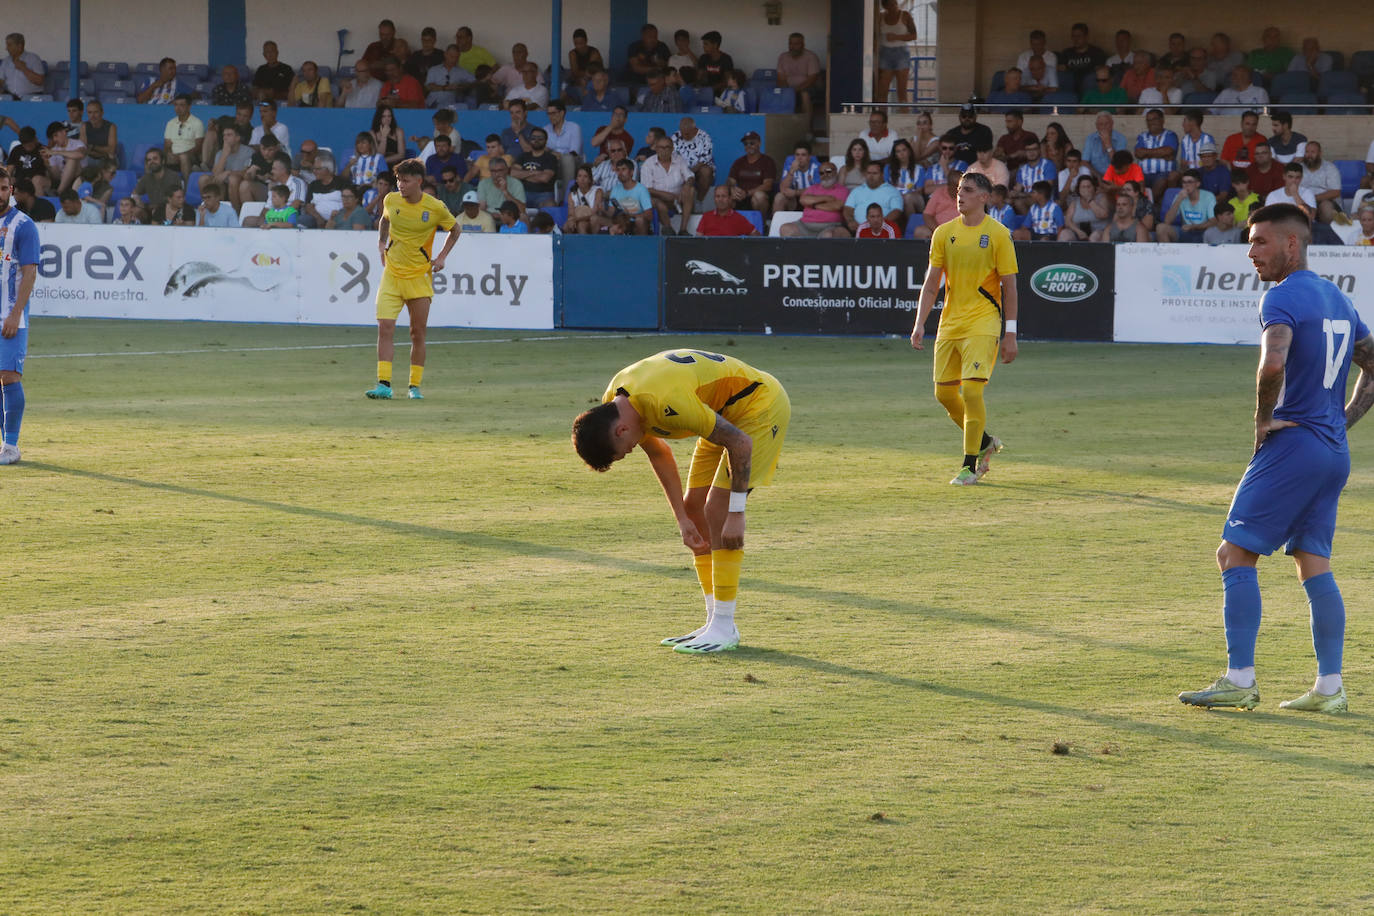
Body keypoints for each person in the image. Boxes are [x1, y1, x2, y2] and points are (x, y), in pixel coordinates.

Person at [1179, 202, 1374, 714]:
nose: (1251, 253)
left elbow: (1273, 364)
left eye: (1260, 242)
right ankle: (1329, 689)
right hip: (1332, 451)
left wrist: (1263, 420)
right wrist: (1343, 420)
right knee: (1314, 564)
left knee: (1233, 554)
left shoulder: (1281, 297)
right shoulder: (1337, 297)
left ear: (1292, 243)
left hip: (1294, 445)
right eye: (1250, 243)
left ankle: (1239, 679)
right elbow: (1373, 363)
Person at [572, 349, 791, 654]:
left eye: (624, 451)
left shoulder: (664, 402)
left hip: (760, 407)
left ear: (621, 430)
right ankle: (714, 621)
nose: (631, 451)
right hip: (721, 415)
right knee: (695, 510)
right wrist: (682, 519)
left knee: (717, 510)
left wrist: (737, 513)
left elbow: (740, 442)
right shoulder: (618, 403)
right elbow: (659, 453)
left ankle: (724, 626)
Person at [910, 171, 1018, 485]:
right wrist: (919, 323)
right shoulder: (944, 233)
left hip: (984, 322)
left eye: (967, 190)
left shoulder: (998, 234)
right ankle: (985, 442)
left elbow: (1010, 286)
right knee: (944, 394)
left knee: (971, 390)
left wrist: (1010, 333)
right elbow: (932, 283)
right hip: (950, 323)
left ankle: (969, 466)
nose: (960, 195)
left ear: (984, 197)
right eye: (959, 190)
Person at [365, 158, 461, 401]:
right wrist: (381, 243)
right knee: (385, 328)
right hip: (392, 276)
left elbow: (455, 229)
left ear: (419, 181)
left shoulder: (435, 207)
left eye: (405, 181)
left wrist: (442, 257)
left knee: (417, 333)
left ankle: (414, 386)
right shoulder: (390, 200)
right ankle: (383, 384)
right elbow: (384, 220)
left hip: (419, 277)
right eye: (398, 180)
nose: (400, 185)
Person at [0, 170, 37, 466]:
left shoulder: (24, 225)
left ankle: (11, 445)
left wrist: (15, 314)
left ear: (11, 190)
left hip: (10, 316)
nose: (0, 194)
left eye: (3, 188)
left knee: (9, 376)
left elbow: (30, 272)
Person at [779, 161, 850, 238]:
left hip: (830, 226)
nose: (825, 175)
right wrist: (826, 198)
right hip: (805, 225)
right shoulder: (813, 188)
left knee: (829, 235)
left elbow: (837, 206)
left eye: (828, 171)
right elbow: (803, 200)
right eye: (821, 173)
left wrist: (813, 205)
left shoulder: (842, 190)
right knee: (785, 229)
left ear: (835, 172)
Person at [641, 134, 695, 234]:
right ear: (656, 148)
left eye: (667, 147)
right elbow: (647, 189)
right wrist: (665, 195)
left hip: (678, 199)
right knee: (657, 203)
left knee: (690, 190)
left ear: (672, 149)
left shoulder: (679, 160)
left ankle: (683, 230)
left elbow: (690, 176)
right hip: (657, 199)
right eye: (661, 147)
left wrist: (687, 184)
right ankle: (668, 229)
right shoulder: (648, 164)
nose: (664, 150)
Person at [1158, 169, 1218, 242]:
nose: (1186, 185)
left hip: (1204, 232)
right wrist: (1179, 199)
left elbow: (1214, 222)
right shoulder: (1179, 196)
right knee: (1161, 228)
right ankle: (1168, 250)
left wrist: (1194, 227)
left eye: (1190, 182)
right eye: (1184, 182)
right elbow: (1167, 221)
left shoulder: (1209, 196)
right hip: (1186, 232)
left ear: (1198, 184)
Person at [843, 162, 902, 235]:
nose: (871, 176)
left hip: (881, 231)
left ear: (882, 175)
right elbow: (848, 209)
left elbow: (896, 211)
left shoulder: (892, 191)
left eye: (875, 173)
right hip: (856, 229)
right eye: (869, 173)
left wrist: (879, 224)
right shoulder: (857, 190)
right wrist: (851, 221)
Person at [727, 131, 776, 216]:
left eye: (752, 143)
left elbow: (768, 185)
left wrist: (747, 193)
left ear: (759, 143)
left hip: (757, 197)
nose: (748, 146)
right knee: (725, 197)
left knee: (759, 196)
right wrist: (732, 189)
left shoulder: (767, 161)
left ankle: (761, 223)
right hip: (741, 197)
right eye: (746, 144)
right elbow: (730, 181)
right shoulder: (738, 162)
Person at [875, 0, 916, 103]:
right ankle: (881, 112)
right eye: (891, 4)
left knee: (902, 91)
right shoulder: (880, 16)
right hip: (885, 53)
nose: (894, 6)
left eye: (895, 3)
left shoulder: (905, 15)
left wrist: (896, 37)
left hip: (901, 53)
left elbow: (914, 35)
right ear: (885, 6)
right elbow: (875, 35)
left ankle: (903, 113)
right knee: (882, 90)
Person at [777, 32, 822, 117]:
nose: (792, 46)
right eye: (790, 43)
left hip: (807, 87)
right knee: (778, 93)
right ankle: (785, 122)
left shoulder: (811, 56)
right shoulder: (783, 56)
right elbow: (780, 78)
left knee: (805, 94)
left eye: (796, 44)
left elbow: (812, 79)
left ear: (803, 44)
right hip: (788, 88)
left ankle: (806, 123)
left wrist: (795, 90)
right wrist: (787, 90)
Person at [671, 117, 714, 205]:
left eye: (687, 134)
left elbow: (705, 160)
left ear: (694, 129)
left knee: (706, 172)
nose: (684, 136)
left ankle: (699, 201)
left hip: (698, 169)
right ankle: (676, 202)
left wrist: (689, 173)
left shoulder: (704, 137)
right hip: (680, 169)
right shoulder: (675, 137)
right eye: (682, 133)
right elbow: (673, 156)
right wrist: (683, 172)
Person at [1299, 141, 1343, 224]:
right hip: (1303, 201)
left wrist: (1312, 198)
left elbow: (1335, 192)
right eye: (1307, 152)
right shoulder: (1299, 168)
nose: (1309, 155)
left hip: (1325, 201)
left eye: (1313, 152)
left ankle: (1327, 232)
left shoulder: (1330, 168)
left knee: (1326, 208)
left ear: (1320, 153)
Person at [162, 94, 205, 176]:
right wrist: (171, 154)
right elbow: (167, 145)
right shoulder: (170, 123)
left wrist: (181, 155)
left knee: (183, 157)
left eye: (181, 105)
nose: (178, 108)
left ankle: (187, 184)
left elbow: (198, 147)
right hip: (173, 156)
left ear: (189, 107)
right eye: (176, 105)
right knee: (153, 157)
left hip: (191, 156)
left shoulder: (197, 123)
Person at [608, 158, 652, 234]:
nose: (620, 173)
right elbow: (611, 213)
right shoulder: (615, 189)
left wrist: (631, 215)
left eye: (623, 169)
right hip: (621, 221)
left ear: (631, 172)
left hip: (635, 222)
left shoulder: (641, 189)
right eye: (618, 170)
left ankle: (641, 242)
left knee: (640, 220)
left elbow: (649, 215)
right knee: (596, 219)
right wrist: (602, 211)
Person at [941, 104, 993, 168]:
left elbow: (987, 153)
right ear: (959, 117)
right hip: (955, 168)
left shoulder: (984, 131)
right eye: (964, 116)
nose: (967, 119)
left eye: (970, 116)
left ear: (975, 117)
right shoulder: (951, 133)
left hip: (977, 168)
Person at [1058, 22, 1106, 90]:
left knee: (1091, 78)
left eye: (1079, 36)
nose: (1076, 39)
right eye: (1073, 36)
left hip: (1089, 85)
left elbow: (1100, 71)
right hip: (1071, 85)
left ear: (1086, 37)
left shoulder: (1096, 52)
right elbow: (1061, 69)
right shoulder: (1066, 53)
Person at [424, 44, 474, 108]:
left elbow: (475, 82)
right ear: (445, 54)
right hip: (433, 104)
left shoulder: (462, 71)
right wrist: (445, 88)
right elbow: (428, 87)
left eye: (456, 57)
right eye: (451, 56)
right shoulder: (434, 70)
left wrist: (462, 86)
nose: (454, 60)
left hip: (451, 106)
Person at [1082, 111, 1127, 175]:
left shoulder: (1121, 138)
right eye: (1101, 124)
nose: (1104, 127)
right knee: (1084, 169)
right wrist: (1097, 176)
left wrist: (1108, 144)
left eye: (1106, 124)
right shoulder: (1090, 138)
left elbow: (1119, 164)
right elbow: (1084, 161)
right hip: (1095, 175)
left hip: (1115, 174)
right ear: (1096, 126)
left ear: (1112, 124)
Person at [564, 164, 604, 234]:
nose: (582, 179)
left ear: (590, 180)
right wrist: (571, 220)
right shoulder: (572, 194)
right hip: (578, 219)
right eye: (579, 176)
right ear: (576, 179)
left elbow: (594, 213)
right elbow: (571, 213)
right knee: (566, 226)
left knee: (582, 225)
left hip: (593, 221)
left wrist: (577, 219)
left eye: (585, 176)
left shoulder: (598, 191)